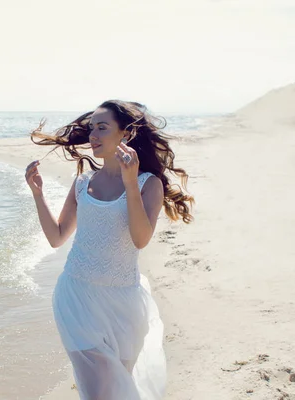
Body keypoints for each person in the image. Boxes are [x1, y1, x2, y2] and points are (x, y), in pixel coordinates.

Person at [24, 100, 194, 399]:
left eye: (102, 128)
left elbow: (140, 239)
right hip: (76, 298)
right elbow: (57, 237)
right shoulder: (82, 182)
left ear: (125, 134)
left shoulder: (147, 184)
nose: (93, 136)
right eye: (91, 129)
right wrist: (37, 194)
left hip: (124, 303)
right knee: (98, 391)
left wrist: (130, 182)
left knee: (119, 388)